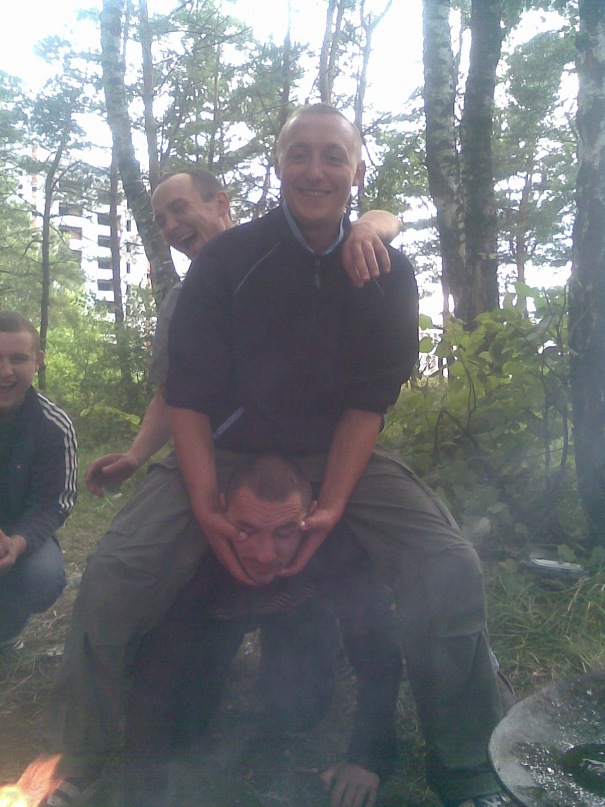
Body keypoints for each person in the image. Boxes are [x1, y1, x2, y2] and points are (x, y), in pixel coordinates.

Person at [164, 104, 511, 807]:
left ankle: (467, 760)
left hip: (338, 447)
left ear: (356, 172)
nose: (315, 170)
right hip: (232, 448)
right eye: (299, 154)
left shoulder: (389, 271)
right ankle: (97, 747)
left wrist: (333, 503)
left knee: (446, 559)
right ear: (277, 165)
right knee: (123, 567)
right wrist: (203, 503)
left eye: (333, 156)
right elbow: (188, 393)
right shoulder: (228, 260)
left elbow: (367, 402)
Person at [38, 168, 402, 806]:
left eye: (181, 208)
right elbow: (176, 393)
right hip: (214, 452)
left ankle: (390, 687)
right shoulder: (181, 299)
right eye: (161, 219)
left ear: (221, 203)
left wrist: (376, 222)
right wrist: (136, 454)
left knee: (401, 563)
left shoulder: (279, 255)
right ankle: (81, 751)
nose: (173, 225)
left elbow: (360, 230)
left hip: (310, 454)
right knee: (117, 570)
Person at [123, 455, 402, 807]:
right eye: (246, 530)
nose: (265, 555)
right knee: (183, 726)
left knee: (299, 712)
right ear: (220, 511)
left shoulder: (338, 544)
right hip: (218, 616)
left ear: (312, 516)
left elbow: (378, 645)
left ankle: (328, 651)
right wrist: (144, 776)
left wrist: (368, 757)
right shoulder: (193, 552)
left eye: (285, 532)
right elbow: (159, 657)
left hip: (300, 610)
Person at [0, 311, 77, 651]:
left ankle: (6, 628)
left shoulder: (54, 426)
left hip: (20, 532)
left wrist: (16, 544)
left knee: (42, 577)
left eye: (18, 359)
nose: (5, 372)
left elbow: (53, 504)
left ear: (38, 361)